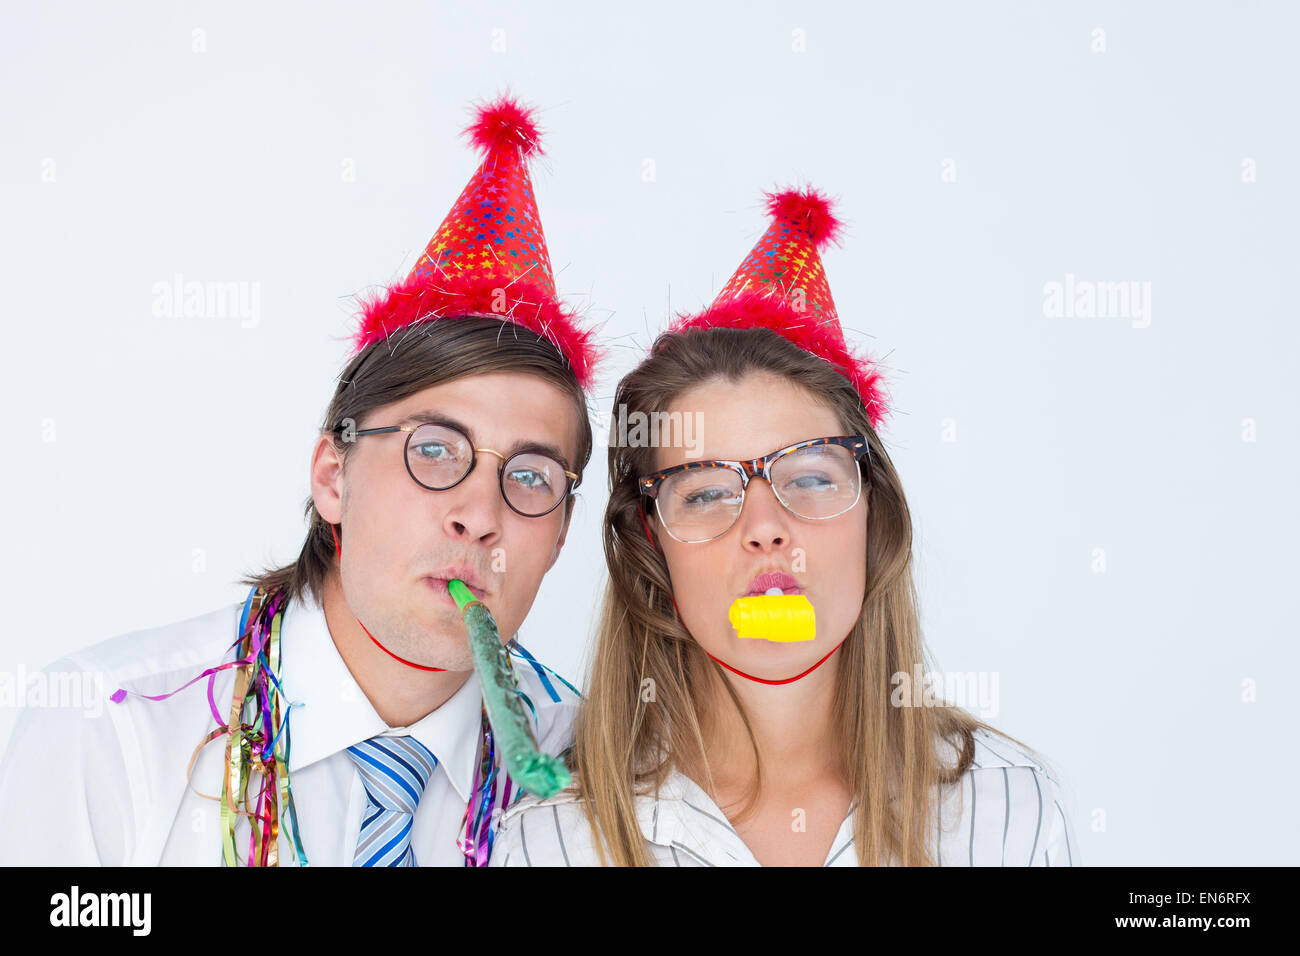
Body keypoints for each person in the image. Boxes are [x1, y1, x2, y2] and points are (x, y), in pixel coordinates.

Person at [0, 94, 601, 866]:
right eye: (435, 451)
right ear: (332, 477)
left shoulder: (596, 776)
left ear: (559, 535)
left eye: (529, 475)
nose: (480, 515)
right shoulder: (109, 729)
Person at [491, 187, 1078, 866]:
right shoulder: (552, 839)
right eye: (708, 492)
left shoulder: (1007, 808)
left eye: (808, 478)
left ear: (871, 515)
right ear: (655, 548)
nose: (765, 528)